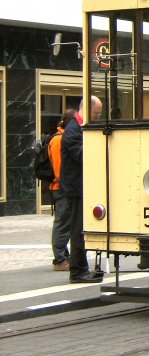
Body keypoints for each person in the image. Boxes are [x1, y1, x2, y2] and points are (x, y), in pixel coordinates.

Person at [61, 96, 104, 284]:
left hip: (81, 186)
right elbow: (82, 155)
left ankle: (81, 269)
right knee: (78, 230)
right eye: (96, 113)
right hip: (75, 188)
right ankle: (78, 271)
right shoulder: (72, 131)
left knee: (82, 229)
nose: (97, 117)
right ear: (86, 109)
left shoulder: (80, 129)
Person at [49, 108, 76, 271]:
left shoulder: (63, 138)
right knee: (62, 223)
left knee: (65, 223)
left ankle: (63, 256)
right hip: (62, 187)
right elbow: (60, 169)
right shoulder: (59, 140)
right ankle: (59, 259)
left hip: (63, 186)